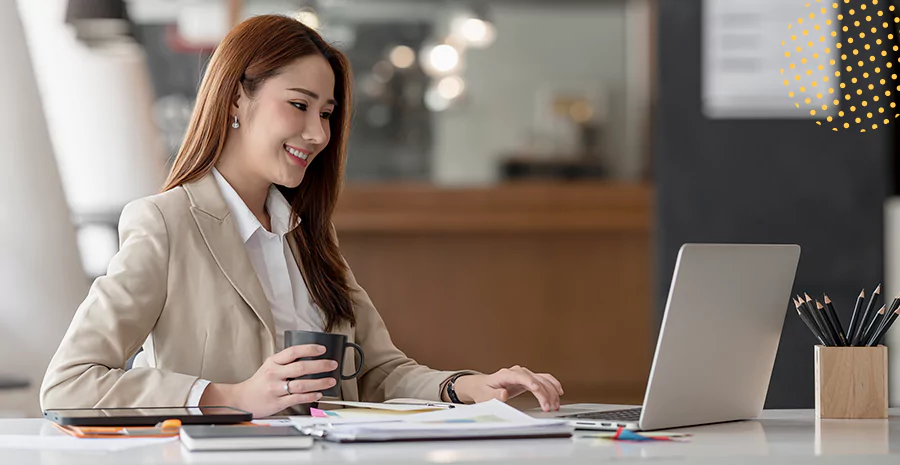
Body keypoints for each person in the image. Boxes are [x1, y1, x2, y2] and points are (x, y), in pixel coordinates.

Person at [40, 15, 563, 418]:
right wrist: (232, 396)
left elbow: (378, 371)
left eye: (328, 113)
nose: (318, 132)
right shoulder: (166, 223)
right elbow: (70, 383)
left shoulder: (308, 232)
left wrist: (467, 387)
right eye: (299, 105)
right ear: (235, 102)